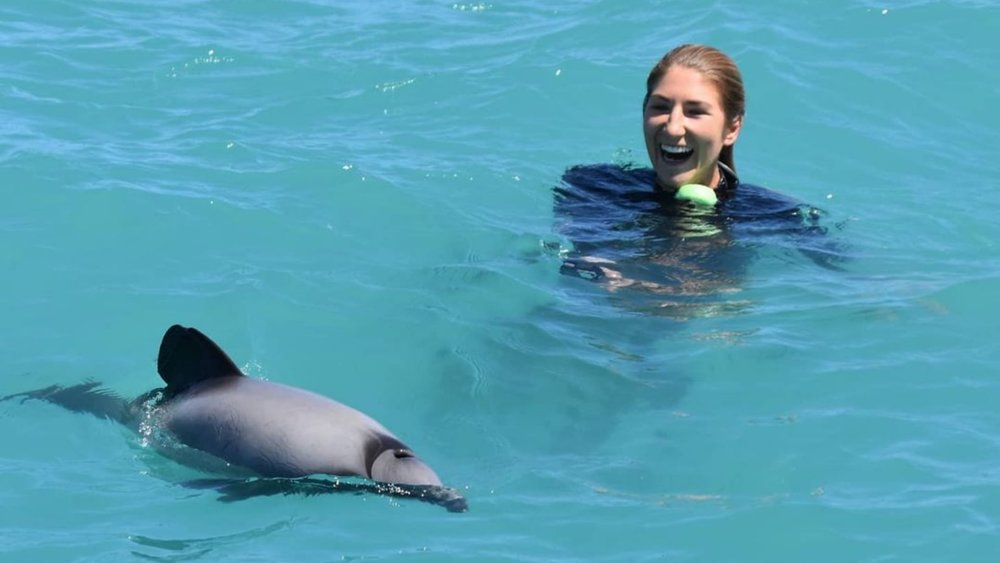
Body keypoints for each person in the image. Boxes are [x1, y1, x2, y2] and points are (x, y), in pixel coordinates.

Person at [554, 44, 844, 315]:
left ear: (732, 128)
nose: (673, 126)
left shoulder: (772, 216)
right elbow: (574, 258)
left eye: (695, 111)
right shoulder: (593, 186)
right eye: (660, 107)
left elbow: (844, 284)